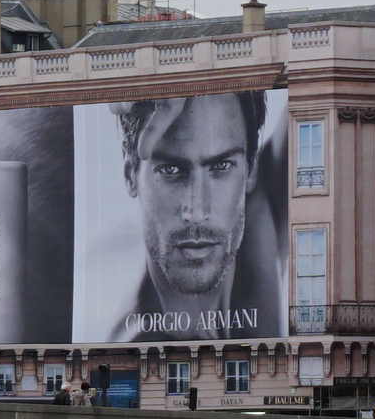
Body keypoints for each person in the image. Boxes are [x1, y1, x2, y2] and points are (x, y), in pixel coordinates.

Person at [100, 90, 280, 342]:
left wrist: (188, 66)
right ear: (131, 174)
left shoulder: (262, 210)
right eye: (171, 169)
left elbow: (322, 95)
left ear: (251, 168)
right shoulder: (134, 347)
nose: (196, 213)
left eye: (221, 166)